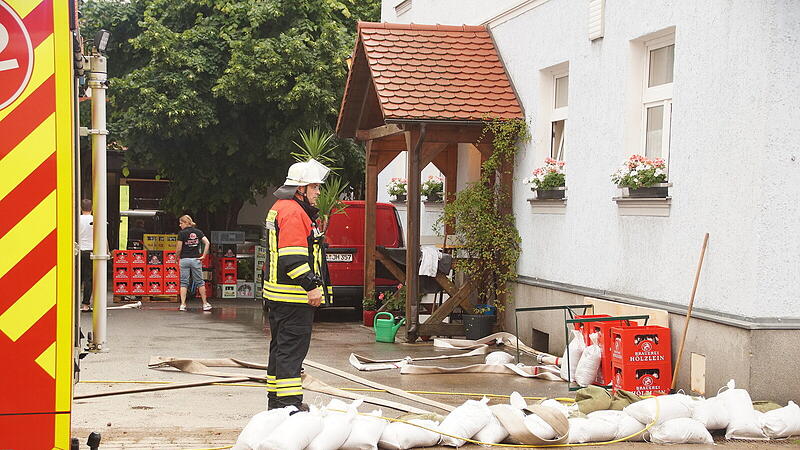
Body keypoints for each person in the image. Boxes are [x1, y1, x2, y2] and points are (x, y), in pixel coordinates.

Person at [265, 158, 332, 410]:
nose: (318, 192)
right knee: (291, 353)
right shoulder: (293, 212)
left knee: (280, 350)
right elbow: (293, 260)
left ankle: (276, 403)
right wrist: (311, 286)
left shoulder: (281, 207)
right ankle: (289, 405)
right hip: (294, 298)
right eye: (314, 187)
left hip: (279, 296)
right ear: (300, 189)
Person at [176, 215, 212, 311]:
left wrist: (176, 258)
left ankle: (183, 304)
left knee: (184, 282)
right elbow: (207, 243)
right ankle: (205, 303)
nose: (180, 225)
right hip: (196, 259)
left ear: (186, 223)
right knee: (200, 282)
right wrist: (204, 255)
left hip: (184, 259)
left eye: (181, 223)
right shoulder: (198, 232)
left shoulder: (181, 233)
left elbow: (179, 248)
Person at [78, 199, 93, 311]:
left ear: (80, 208)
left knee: (76, 278)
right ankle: (85, 305)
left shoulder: (76, 219)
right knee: (88, 279)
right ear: (92, 208)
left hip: (78, 251)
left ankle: (73, 303)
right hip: (90, 251)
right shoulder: (95, 220)